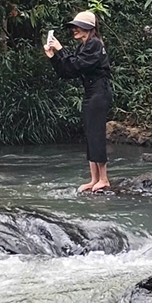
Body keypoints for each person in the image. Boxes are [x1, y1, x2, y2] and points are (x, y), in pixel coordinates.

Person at [45, 10, 112, 192]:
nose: (74, 29)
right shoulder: (84, 46)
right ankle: (94, 179)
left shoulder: (95, 44)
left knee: (96, 133)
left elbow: (77, 64)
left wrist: (60, 49)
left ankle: (104, 179)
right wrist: (53, 57)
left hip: (99, 92)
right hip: (90, 92)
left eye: (78, 27)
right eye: (74, 27)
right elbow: (68, 71)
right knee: (90, 133)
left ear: (88, 29)